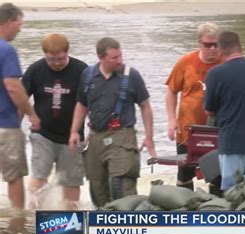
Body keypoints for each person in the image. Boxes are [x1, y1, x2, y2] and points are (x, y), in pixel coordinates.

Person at [68, 37, 157, 207]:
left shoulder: (131, 76)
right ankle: (105, 230)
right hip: (95, 138)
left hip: (122, 136)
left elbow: (145, 106)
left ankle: (129, 229)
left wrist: (149, 138)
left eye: (120, 56)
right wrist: (74, 131)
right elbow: (81, 105)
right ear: (101, 57)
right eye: (114, 58)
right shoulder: (88, 75)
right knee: (97, 189)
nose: (119, 61)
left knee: (120, 186)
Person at [22, 33, 87, 209]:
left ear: (67, 53)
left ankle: (71, 217)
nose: (56, 63)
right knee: (39, 176)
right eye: (51, 59)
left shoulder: (82, 70)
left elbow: (92, 103)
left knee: (71, 181)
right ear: (45, 55)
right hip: (43, 134)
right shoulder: (35, 70)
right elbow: (21, 99)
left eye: (60, 58)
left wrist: (93, 129)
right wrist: (15, 128)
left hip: (72, 136)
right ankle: (32, 216)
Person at [204, 31, 245, 191]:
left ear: (220, 49)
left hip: (232, 142)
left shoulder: (215, 74)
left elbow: (209, 110)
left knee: (233, 193)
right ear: (240, 46)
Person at [165, 22, 222, 190]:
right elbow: (171, 91)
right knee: (184, 175)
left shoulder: (225, 63)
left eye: (215, 44)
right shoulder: (185, 62)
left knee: (217, 175)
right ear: (199, 43)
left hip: (216, 130)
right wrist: (171, 120)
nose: (212, 49)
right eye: (208, 45)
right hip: (188, 130)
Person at [0, 3, 40, 209]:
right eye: (18, 23)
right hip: (5, 125)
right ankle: (17, 223)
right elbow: (13, 86)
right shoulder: (6, 50)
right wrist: (31, 114)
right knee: (14, 177)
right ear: (8, 21)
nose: (20, 28)